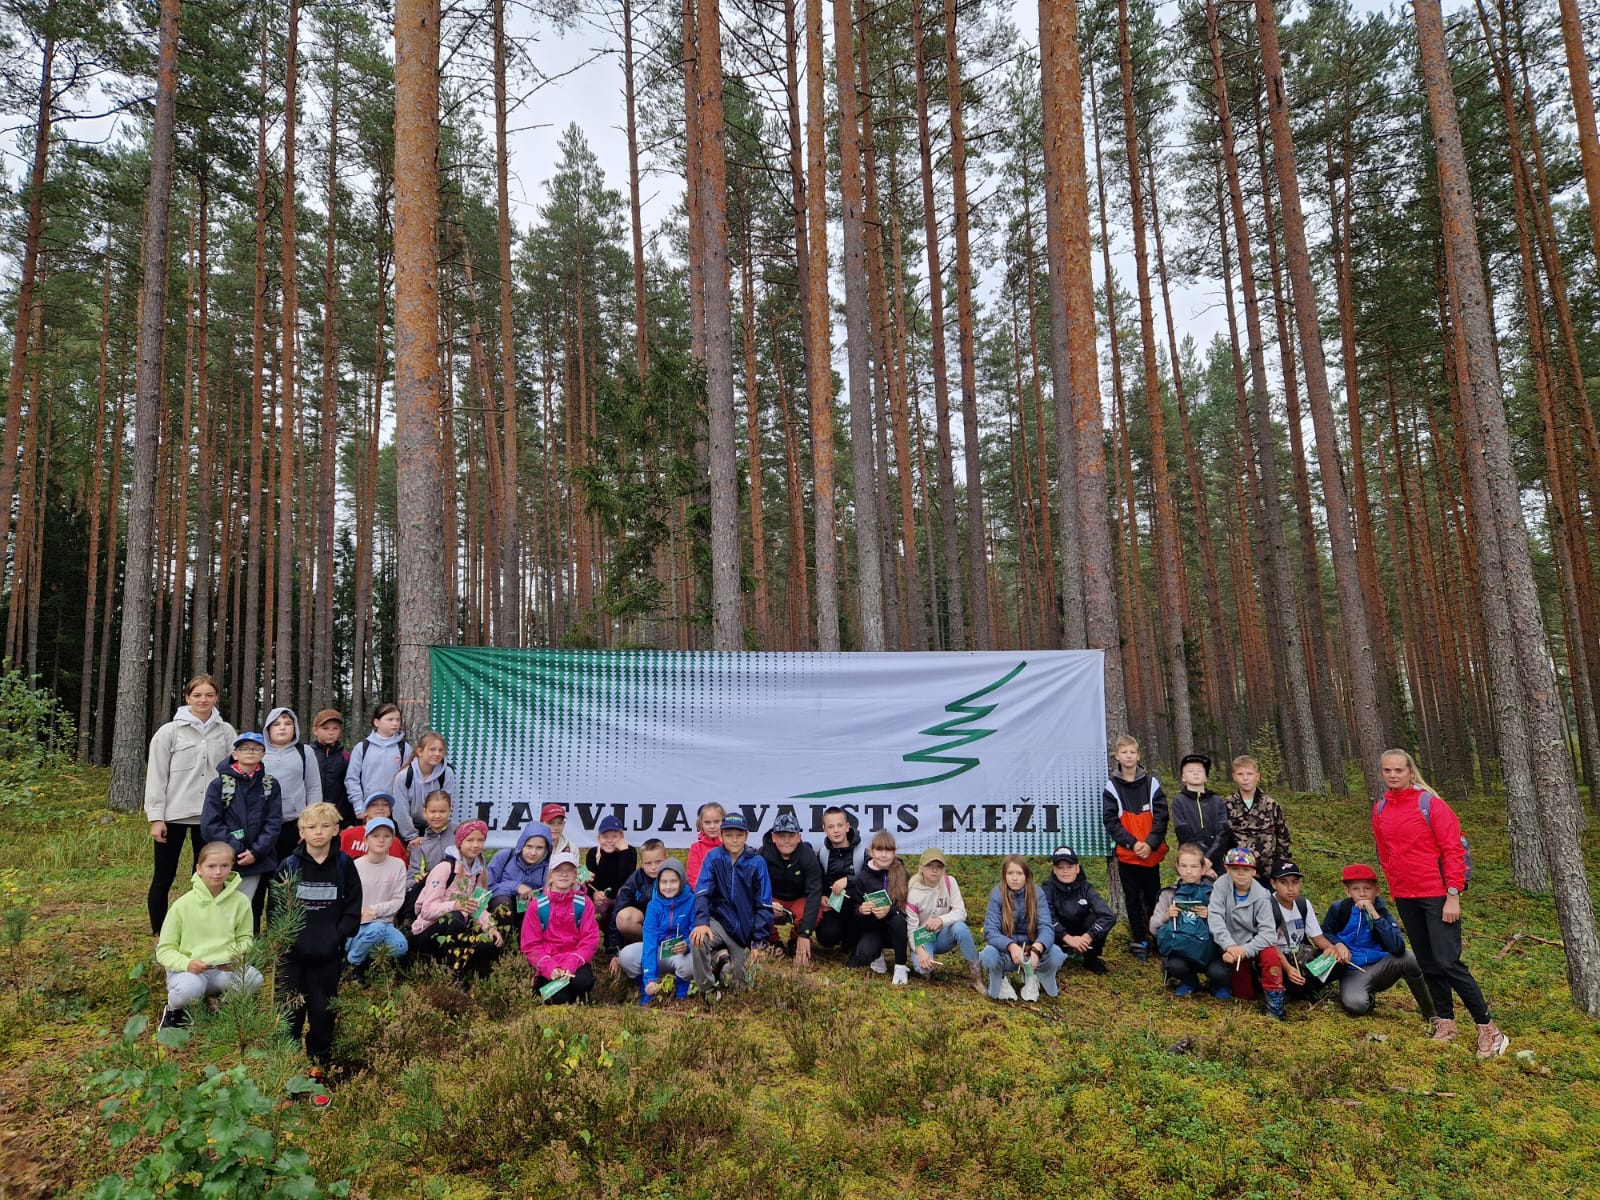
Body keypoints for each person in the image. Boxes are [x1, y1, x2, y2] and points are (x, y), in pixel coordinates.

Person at [1373, 749, 1507, 1056]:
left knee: (1449, 962)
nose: (1393, 775)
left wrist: (1453, 895)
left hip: (1438, 894)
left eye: (1398, 770)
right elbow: (1384, 851)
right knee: (1429, 963)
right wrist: (1394, 884)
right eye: (1387, 771)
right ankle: (1446, 1022)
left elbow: (1452, 851)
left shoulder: (1430, 804)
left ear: (1410, 771)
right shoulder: (1380, 808)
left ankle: (1489, 1028)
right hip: (1406, 896)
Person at [144, 674, 238, 935]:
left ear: (216, 697)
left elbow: (234, 774)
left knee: (208, 877)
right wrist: (156, 817)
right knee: (164, 877)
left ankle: (203, 929)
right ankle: (160, 934)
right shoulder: (169, 732)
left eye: (209, 695)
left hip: (211, 818)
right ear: (187, 698)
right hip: (174, 815)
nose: (203, 700)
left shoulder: (226, 732)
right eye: (197, 695)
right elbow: (156, 775)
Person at [275, 803, 362, 1070]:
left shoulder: (345, 865)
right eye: (311, 827)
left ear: (336, 830)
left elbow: (353, 906)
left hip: (327, 956)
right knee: (290, 1014)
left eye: (325, 826)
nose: (318, 833)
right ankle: (287, 1072)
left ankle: (318, 1067)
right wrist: (283, 941)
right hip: (293, 957)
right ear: (301, 831)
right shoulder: (289, 865)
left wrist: (338, 935)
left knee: (323, 1013)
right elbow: (276, 908)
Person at [155, 842, 262, 1029]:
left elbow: (246, 939)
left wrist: (235, 956)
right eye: (211, 866)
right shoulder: (182, 905)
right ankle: (174, 1010)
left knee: (254, 979)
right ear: (199, 868)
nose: (218, 872)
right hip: (189, 970)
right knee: (189, 989)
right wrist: (187, 964)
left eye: (224, 866)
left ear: (231, 867)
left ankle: (226, 1005)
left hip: (223, 970)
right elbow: (165, 950)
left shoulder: (241, 902)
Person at [1321, 863, 1436, 1023]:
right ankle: (1366, 996)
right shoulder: (1339, 909)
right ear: (1347, 892)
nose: (1362, 893)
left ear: (1376, 890)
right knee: (1357, 1005)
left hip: (1380, 966)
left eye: (1367, 888)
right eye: (1355, 889)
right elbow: (1325, 932)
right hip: (1351, 969)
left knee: (1409, 958)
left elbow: (1397, 947)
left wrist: (1374, 914)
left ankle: (1432, 1012)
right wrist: (1336, 944)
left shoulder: (1383, 913)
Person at [410, 820, 504, 983]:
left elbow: (478, 907)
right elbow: (426, 910)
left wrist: (490, 926)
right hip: (428, 931)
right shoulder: (444, 868)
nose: (475, 845)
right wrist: (456, 905)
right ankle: (453, 978)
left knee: (490, 943)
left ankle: (479, 980)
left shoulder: (479, 871)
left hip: (457, 931)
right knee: (456, 917)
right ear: (460, 842)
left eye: (480, 840)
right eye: (470, 840)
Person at [690, 812, 772, 995]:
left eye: (739, 835)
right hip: (719, 924)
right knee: (698, 939)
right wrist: (702, 922)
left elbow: (764, 906)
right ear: (721, 836)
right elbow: (702, 892)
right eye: (728, 835)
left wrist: (758, 942)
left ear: (746, 836)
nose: (734, 840)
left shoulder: (757, 862)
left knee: (741, 986)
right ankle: (708, 990)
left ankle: (722, 963)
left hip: (745, 932)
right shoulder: (713, 857)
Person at [1102, 734, 1167, 962]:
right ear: (1117, 756)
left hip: (1151, 854)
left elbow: (1161, 817)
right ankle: (1139, 939)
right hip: (1128, 854)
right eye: (1124, 752)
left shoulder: (1152, 783)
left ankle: (1157, 936)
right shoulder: (1111, 786)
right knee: (1131, 898)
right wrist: (1132, 843)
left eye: (1132, 752)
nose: (1128, 756)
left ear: (1138, 755)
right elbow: (1111, 821)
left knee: (1153, 897)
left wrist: (1149, 844)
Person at [199, 732, 282, 908]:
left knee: (250, 906)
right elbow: (210, 825)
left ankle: (249, 935)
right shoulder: (219, 785)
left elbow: (273, 823)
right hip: (225, 860)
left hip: (258, 860)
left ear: (263, 754)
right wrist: (237, 850)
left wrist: (256, 852)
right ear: (235, 754)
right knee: (220, 904)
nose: (250, 752)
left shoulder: (270, 785)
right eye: (244, 748)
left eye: (256, 748)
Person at [1206, 848, 1288, 1019]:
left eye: (1246, 869)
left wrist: (1245, 950)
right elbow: (1215, 918)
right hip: (1231, 945)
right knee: (1244, 995)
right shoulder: (1220, 886)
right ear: (1227, 869)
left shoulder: (1262, 896)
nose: (1241, 874)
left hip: (1253, 943)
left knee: (1271, 956)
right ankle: (1248, 991)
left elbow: (1268, 934)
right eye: (1235, 869)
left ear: (1254, 871)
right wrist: (1229, 946)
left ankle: (1275, 1004)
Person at [981, 856, 1064, 1002]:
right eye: (1010, 873)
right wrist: (1011, 946)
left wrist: (1037, 949)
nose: (1014, 878)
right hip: (1007, 953)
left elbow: (1047, 928)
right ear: (1004, 875)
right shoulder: (997, 894)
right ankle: (1000, 980)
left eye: (1019, 873)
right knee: (988, 955)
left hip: (1031, 952)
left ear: (1026, 875)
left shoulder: (1038, 893)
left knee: (1056, 954)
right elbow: (990, 930)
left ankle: (1032, 975)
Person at [520, 851, 600, 1005]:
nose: (564, 874)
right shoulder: (537, 905)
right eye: (559, 870)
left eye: (569, 870)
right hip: (549, 963)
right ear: (550, 875)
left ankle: (579, 997)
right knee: (559, 999)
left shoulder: (584, 903)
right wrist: (549, 968)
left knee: (582, 983)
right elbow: (531, 945)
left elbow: (590, 940)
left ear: (575, 875)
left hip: (575, 962)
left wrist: (571, 964)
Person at [1152, 844, 1230, 997]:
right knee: (1174, 965)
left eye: (1194, 866)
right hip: (1182, 949)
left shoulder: (1215, 893)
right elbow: (1153, 928)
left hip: (1211, 950)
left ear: (1203, 868)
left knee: (1219, 972)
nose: (1188, 871)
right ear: (1177, 867)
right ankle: (1189, 981)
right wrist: (1167, 916)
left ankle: (1217, 984)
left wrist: (1211, 916)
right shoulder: (1169, 894)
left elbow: (1233, 926)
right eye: (1184, 866)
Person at [618, 857, 695, 1005]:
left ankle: (681, 994)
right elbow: (650, 943)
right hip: (659, 951)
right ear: (658, 883)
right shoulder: (653, 906)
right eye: (663, 882)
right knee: (626, 955)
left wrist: (687, 945)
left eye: (673, 881)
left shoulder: (692, 901)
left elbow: (696, 932)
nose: (668, 886)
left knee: (691, 962)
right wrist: (649, 979)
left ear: (682, 880)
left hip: (681, 953)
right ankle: (647, 988)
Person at [904, 847, 982, 993]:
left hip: (944, 935)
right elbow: (911, 929)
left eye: (939, 867)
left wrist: (941, 920)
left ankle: (976, 977)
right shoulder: (913, 893)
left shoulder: (949, 882)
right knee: (924, 969)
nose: (934, 871)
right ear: (921, 867)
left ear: (944, 869)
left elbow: (960, 912)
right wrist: (919, 950)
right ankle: (928, 967)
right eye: (930, 866)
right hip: (923, 938)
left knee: (960, 927)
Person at [1266, 860, 1339, 1002]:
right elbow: (1269, 944)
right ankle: (1295, 988)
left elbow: (1317, 938)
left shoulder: (1303, 904)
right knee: (1285, 974)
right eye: (1283, 882)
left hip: (1300, 956)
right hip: (1278, 958)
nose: (1290, 888)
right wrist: (1287, 968)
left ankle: (1305, 987)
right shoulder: (1267, 906)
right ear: (1273, 884)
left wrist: (1330, 948)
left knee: (1340, 961)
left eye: (1295, 882)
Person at [346, 817, 410, 972]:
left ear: (392, 840)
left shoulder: (398, 865)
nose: (381, 840)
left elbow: (397, 900)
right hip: (359, 923)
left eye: (387, 836)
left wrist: (375, 910)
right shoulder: (355, 865)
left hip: (385, 922)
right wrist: (359, 914)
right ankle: (353, 963)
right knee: (375, 930)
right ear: (366, 840)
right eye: (375, 836)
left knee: (401, 946)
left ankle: (365, 956)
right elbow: (348, 899)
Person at [262, 709, 323, 870]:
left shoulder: (304, 752)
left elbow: (313, 787)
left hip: (294, 823)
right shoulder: (258, 751)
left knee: (290, 873)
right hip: (263, 824)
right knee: (263, 875)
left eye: (288, 723)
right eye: (276, 724)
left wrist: (311, 823)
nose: (282, 728)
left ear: (295, 727)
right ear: (268, 728)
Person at [758, 812, 822, 964]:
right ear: (773, 837)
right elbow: (754, 890)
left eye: (791, 836)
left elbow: (814, 892)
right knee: (759, 908)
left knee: (816, 910)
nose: (786, 841)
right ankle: (774, 941)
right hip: (772, 899)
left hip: (798, 899)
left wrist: (805, 934)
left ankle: (796, 940)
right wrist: (767, 904)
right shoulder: (762, 855)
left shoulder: (808, 855)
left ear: (799, 837)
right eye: (781, 836)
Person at [848, 831, 911, 983]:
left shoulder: (902, 873)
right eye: (879, 850)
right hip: (873, 928)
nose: (884, 855)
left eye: (888, 850)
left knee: (898, 921)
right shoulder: (863, 876)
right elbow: (854, 909)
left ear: (894, 852)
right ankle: (877, 955)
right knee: (863, 955)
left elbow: (908, 908)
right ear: (871, 852)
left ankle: (901, 967)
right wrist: (861, 910)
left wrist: (890, 910)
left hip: (896, 929)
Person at [1041, 846, 1114, 977]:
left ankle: (1091, 959)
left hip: (1083, 937)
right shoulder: (1047, 888)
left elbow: (1108, 916)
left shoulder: (1086, 887)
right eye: (1060, 868)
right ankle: (1051, 959)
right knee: (1042, 923)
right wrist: (1067, 938)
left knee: (1095, 917)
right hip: (1058, 936)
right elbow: (1045, 917)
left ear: (1077, 868)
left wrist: (1087, 936)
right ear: (1054, 870)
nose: (1065, 872)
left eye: (1069, 867)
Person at [1224, 755, 1291, 869]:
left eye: (1249, 774)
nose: (1245, 778)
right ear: (1234, 777)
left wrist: (1281, 863)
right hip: (1238, 869)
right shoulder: (1227, 805)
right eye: (1240, 774)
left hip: (1267, 868)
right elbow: (1222, 837)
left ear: (1257, 776)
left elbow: (1283, 836)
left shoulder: (1271, 804)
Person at [486, 822, 552, 936]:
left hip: (528, 911)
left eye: (539, 848)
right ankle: (501, 941)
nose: (533, 853)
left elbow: (551, 895)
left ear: (546, 849)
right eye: (529, 846)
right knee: (503, 902)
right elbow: (488, 887)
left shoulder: (549, 866)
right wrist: (516, 886)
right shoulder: (505, 856)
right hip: (501, 907)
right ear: (521, 844)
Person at [814, 806, 866, 952]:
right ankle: (842, 936)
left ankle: (855, 939)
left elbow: (872, 878)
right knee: (827, 937)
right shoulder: (822, 854)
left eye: (840, 825)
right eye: (831, 827)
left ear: (847, 827)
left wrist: (849, 880)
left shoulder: (863, 852)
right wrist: (822, 896)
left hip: (858, 908)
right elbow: (818, 881)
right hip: (834, 908)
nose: (836, 830)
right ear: (825, 829)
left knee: (859, 922)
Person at [1169, 753, 1229, 877]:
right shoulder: (1179, 801)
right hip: (1190, 861)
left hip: (1216, 860)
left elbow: (1222, 833)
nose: (1195, 773)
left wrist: (1209, 860)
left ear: (1206, 777)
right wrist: (1200, 863)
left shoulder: (1217, 801)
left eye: (1200, 771)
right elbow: (1183, 833)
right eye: (1190, 771)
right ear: (1183, 778)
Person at [344, 703, 407, 820]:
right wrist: (359, 807)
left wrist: (402, 810)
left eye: (398, 720)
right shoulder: (362, 747)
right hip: (367, 810)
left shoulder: (404, 748)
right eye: (390, 719)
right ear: (376, 722)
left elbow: (408, 781)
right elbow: (352, 779)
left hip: (394, 812)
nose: (395, 723)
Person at [391, 732, 455, 843]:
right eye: (432, 749)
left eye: (440, 750)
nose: (437, 753)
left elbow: (446, 804)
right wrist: (412, 837)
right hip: (407, 830)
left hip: (436, 827)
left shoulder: (447, 773)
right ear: (420, 751)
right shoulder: (403, 777)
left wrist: (433, 834)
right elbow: (400, 811)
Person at [608, 838, 668, 953]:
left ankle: (670, 946)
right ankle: (651, 944)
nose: (654, 867)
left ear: (666, 858)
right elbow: (617, 911)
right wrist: (616, 949)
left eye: (658, 862)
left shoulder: (676, 875)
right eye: (648, 863)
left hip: (671, 923)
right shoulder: (635, 879)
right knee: (624, 918)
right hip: (647, 925)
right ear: (641, 863)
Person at [584, 814, 637, 934]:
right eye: (605, 836)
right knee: (597, 911)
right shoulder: (593, 853)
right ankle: (608, 937)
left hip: (623, 898)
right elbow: (589, 881)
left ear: (622, 836)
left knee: (622, 911)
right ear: (598, 838)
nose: (609, 840)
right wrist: (595, 894)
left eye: (614, 836)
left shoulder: (630, 852)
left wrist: (624, 852)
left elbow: (628, 879)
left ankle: (622, 939)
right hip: (603, 898)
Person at [309, 709, 355, 827]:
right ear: (315, 730)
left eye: (335, 728)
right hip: (312, 816)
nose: (331, 732)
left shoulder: (346, 757)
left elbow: (351, 786)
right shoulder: (307, 754)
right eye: (325, 728)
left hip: (340, 818)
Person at [340, 792, 407, 866]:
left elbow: (403, 869)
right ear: (365, 811)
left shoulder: (395, 842)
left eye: (385, 804)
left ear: (390, 811)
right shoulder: (348, 835)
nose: (380, 808)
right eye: (374, 804)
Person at [407, 791, 458, 877]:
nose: (437, 816)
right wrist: (418, 879)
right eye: (433, 811)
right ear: (425, 812)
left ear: (450, 811)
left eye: (442, 811)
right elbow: (411, 879)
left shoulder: (460, 834)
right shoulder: (418, 845)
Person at [685, 802, 725, 889]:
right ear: (701, 824)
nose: (712, 826)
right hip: (704, 896)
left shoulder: (730, 846)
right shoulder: (695, 848)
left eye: (717, 822)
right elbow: (694, 879)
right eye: (707, 822)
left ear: (724, 822)